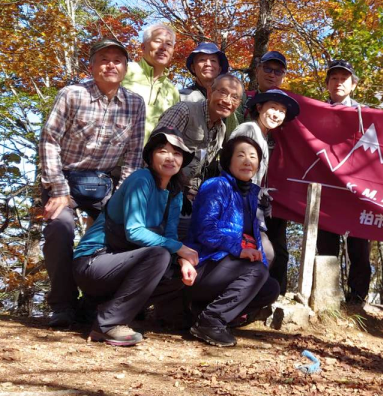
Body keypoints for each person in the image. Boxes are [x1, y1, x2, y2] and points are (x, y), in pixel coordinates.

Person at [39, 38, 145, 328]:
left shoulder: (135, 103)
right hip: (65, 178)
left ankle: (96, 303)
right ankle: (62, 305)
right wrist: (58, 190)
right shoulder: (72, 95)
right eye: (104, 59)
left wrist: (123, 199)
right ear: (92, 65)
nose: (111, 65)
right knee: (61, 228)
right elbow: (49, 142)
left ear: (126, 67)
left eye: (118, 60)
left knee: (123, 232)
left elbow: (134, 157)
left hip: (105, 183)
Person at [71, 130, 198, 346]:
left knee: (179, 272)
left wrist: (183, 258)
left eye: (176, 154)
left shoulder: (175, 193)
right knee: (158, 256)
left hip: (121, 263)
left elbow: (169, 236)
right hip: (94, 261)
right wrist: (179, 248)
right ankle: (107, 325)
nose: (170, 158)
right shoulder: (142, 179)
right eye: (163, 151)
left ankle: (97, 309)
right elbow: (134, 231)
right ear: (150, 157)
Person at [187, 136, 282, 347]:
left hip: (228, 268)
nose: (247, 161)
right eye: (240, 155)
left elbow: (255, 240)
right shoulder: (216, 186)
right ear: (228, 160)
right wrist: (237, 250)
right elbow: (205, 230)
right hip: (205, 264)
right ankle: (210, 321)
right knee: (257, 272)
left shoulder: (252, 195)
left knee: (270, 288)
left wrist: (260, 271)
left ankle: (203, 314)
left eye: (253, 156)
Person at [230, 88, 301, 291]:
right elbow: (235, 169)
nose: (276, 114)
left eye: (281, 111)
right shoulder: (249, 130)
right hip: (235, 204)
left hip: (247, 204)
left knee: (262, 253)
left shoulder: (262, 136)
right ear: (259, 107)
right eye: (272, 108)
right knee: (262, 252)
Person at [316, 59, 373, 307]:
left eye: (344, 78)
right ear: (328, 84)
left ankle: (357, 299)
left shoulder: (366, 114)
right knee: (326, 245)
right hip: (325, 190)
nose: (339, 83)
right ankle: (327, 297)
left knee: (359, 247)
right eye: (334, 78)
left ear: (353, 85)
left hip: (358, 191)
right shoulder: (315, 112)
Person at [154, 73, 245, 203]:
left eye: (235, 97)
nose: (227, 101)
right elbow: (155, 150)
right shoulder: (184, 110)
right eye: (223, 93)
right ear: (209, 92)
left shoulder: (221, 129)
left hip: (188, 197)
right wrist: (170, 187)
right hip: (161, 190)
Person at [249, 51, 292, 293]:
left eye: (279, 71)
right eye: (268, 68)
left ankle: (275, 296)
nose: (272, 74)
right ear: (257, 70)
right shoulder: (241, 105)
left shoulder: (288, 108)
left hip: (277, 193)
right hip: (245, 193)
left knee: (278, 248)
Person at [122, 22, 181, 141]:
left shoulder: (172, 90)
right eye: (158, 41)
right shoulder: (124, 71)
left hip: (150, 157)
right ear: (143, 47)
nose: (163, 47)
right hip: (113, 154)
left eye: (169, 44)